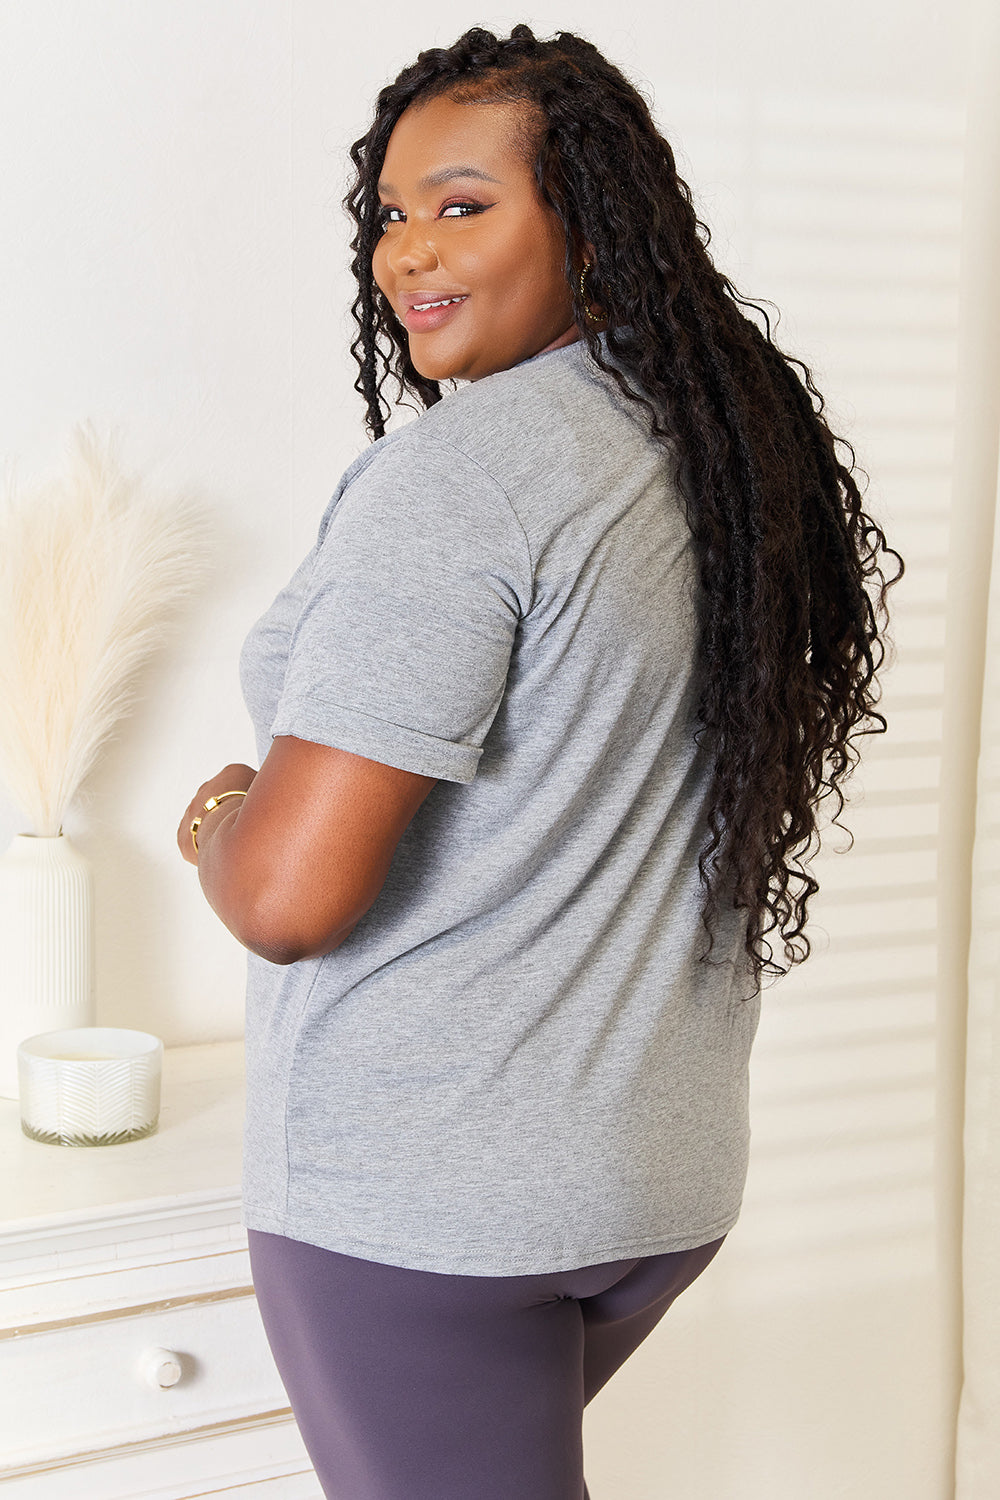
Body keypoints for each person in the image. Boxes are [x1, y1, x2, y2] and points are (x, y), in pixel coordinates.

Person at [177, 24, 900, 1500]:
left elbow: (290, 900)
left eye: (463, 203)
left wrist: (220, 823)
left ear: (589, 215)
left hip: (428, 1203)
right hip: (655, 1177)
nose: (408, 253)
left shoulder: (464, 476)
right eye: (389, 213)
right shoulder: (722, 444)